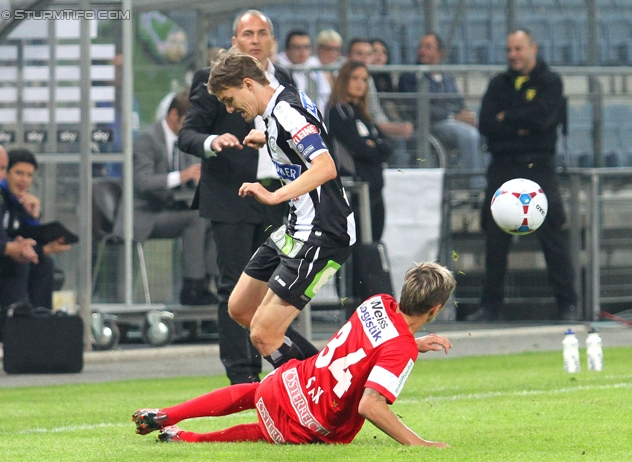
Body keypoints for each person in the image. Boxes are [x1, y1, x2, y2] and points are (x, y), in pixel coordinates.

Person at [132, 261, 456, 446]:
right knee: (267, 431)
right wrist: (419, 443)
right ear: (436, 308)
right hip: (315, 419)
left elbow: (371, 346)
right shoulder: (399, 348)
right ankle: (188, 438)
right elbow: (370, 405)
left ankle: (168, 415)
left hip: (293, 381)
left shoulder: (378, 302)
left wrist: (414, 342)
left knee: (257, 391)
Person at [178, 10, 312, 384]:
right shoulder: (209, 79)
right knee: (235, 287)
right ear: (235, 41)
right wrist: (212, 141)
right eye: (247, 33)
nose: (255, 39)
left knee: (280, 286)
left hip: (279, 198)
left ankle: (281, 368)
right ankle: (242, 376)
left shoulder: (285, 80)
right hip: (231, 197)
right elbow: (187, 134)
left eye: (262, 33)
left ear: (272, 40)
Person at [206, 48, 356, 371]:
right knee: (241, 308)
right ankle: (323, 373)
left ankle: (319, 396)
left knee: (263, 333)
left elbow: (326, 166)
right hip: (295, 228)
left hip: (322, 231)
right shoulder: (281, 106)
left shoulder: (286, 113)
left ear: (248, 84)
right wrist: (270, 136)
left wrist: (274, 196)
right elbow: (302, 134)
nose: (231, 110)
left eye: (230, 100)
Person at [465, 29, 579, 322]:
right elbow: (487, 124)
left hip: (538, 167)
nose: (513, 55)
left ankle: (567, 304)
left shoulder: (550, 81)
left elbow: (543, 121)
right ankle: (491, 307)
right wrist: (518, 123)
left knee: (553, 235)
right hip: (502, 167)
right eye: (509, 50)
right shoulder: (498, 83)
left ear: (533, 48)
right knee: (494, 237)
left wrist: (508, 119)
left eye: (518, 49)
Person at [117, 92, 218, 305]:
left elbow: (190, 176)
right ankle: (193, 286)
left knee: (212, 216)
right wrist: (182, 176)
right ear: (174, 115)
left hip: (170, 208)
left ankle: (212, 282)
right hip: (144, 214)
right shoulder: (147, 139)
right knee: (196, 220)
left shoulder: (184, 139)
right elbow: (142, 182)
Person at [398, 33, 485, 188]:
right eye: (421, 46)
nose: (422, 50)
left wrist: (467, 114)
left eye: (428, 47)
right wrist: (453, 116)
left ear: (440, 53)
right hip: (431, 124)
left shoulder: (447, 77)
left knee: (487, 129)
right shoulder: (410, 76)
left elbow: (458, 101)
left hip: (453, 122)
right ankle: (477, 187)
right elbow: (420, 106)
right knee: (469, 136)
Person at [328, 61, 394, 242]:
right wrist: (372, 146)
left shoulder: (363, 114)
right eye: (354, 78)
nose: (360, 84)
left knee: (374, 241)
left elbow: (387, 146)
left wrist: (373, 146)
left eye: (364, 79)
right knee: (359, 245)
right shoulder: (338, 112)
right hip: (356, 189)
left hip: (375, 187)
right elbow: (358, 147)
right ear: (344, 80)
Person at [0, 145, 46, 344]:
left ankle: (22, 335)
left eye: (1, 168)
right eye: (18, 173)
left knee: (39, 263)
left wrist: (21, 245)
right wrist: (9, 248)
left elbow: (1, 236)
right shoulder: (2, 196)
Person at [346, 38, 413, 140]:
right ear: (349, 56)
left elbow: (375, 110)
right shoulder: (342, 79)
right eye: (359, 54)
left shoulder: (369, 79)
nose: (365, 58)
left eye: (368, 54)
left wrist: (389, 125)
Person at [306, 29, 344, 117]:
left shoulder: (338, 68)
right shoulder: (309, 67)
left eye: (336, 49)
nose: (333, 53)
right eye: (329, 49)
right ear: (318, 48)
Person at [275, 30, 315, 95]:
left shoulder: (314, 67)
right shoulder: (277, 67)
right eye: (297, 47)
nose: (302, 51)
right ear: (287, 49)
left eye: (306, 47)